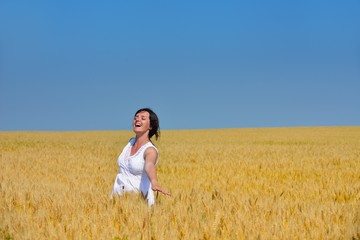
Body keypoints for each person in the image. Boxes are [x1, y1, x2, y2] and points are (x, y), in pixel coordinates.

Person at [111, 108, 171, 206]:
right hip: (117, 199)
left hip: (138, 202)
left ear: (150, 126)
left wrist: (154, 181)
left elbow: (149, 165)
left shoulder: (150, 150)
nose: (137, 120)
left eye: (143, 118)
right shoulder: (130, 143)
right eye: (136, 117)